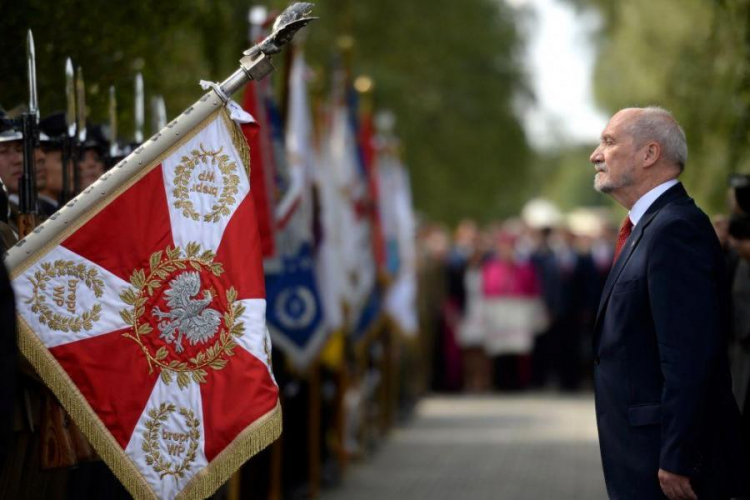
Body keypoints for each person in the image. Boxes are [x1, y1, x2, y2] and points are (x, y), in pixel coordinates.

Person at [590, 106, 745, 499]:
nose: (596, 154)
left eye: (608, 142)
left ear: (649, 154)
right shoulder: (653, 225)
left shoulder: (675, 229)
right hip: (642, 454)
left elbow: (688, 355)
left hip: (665, 464)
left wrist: (680, 455)